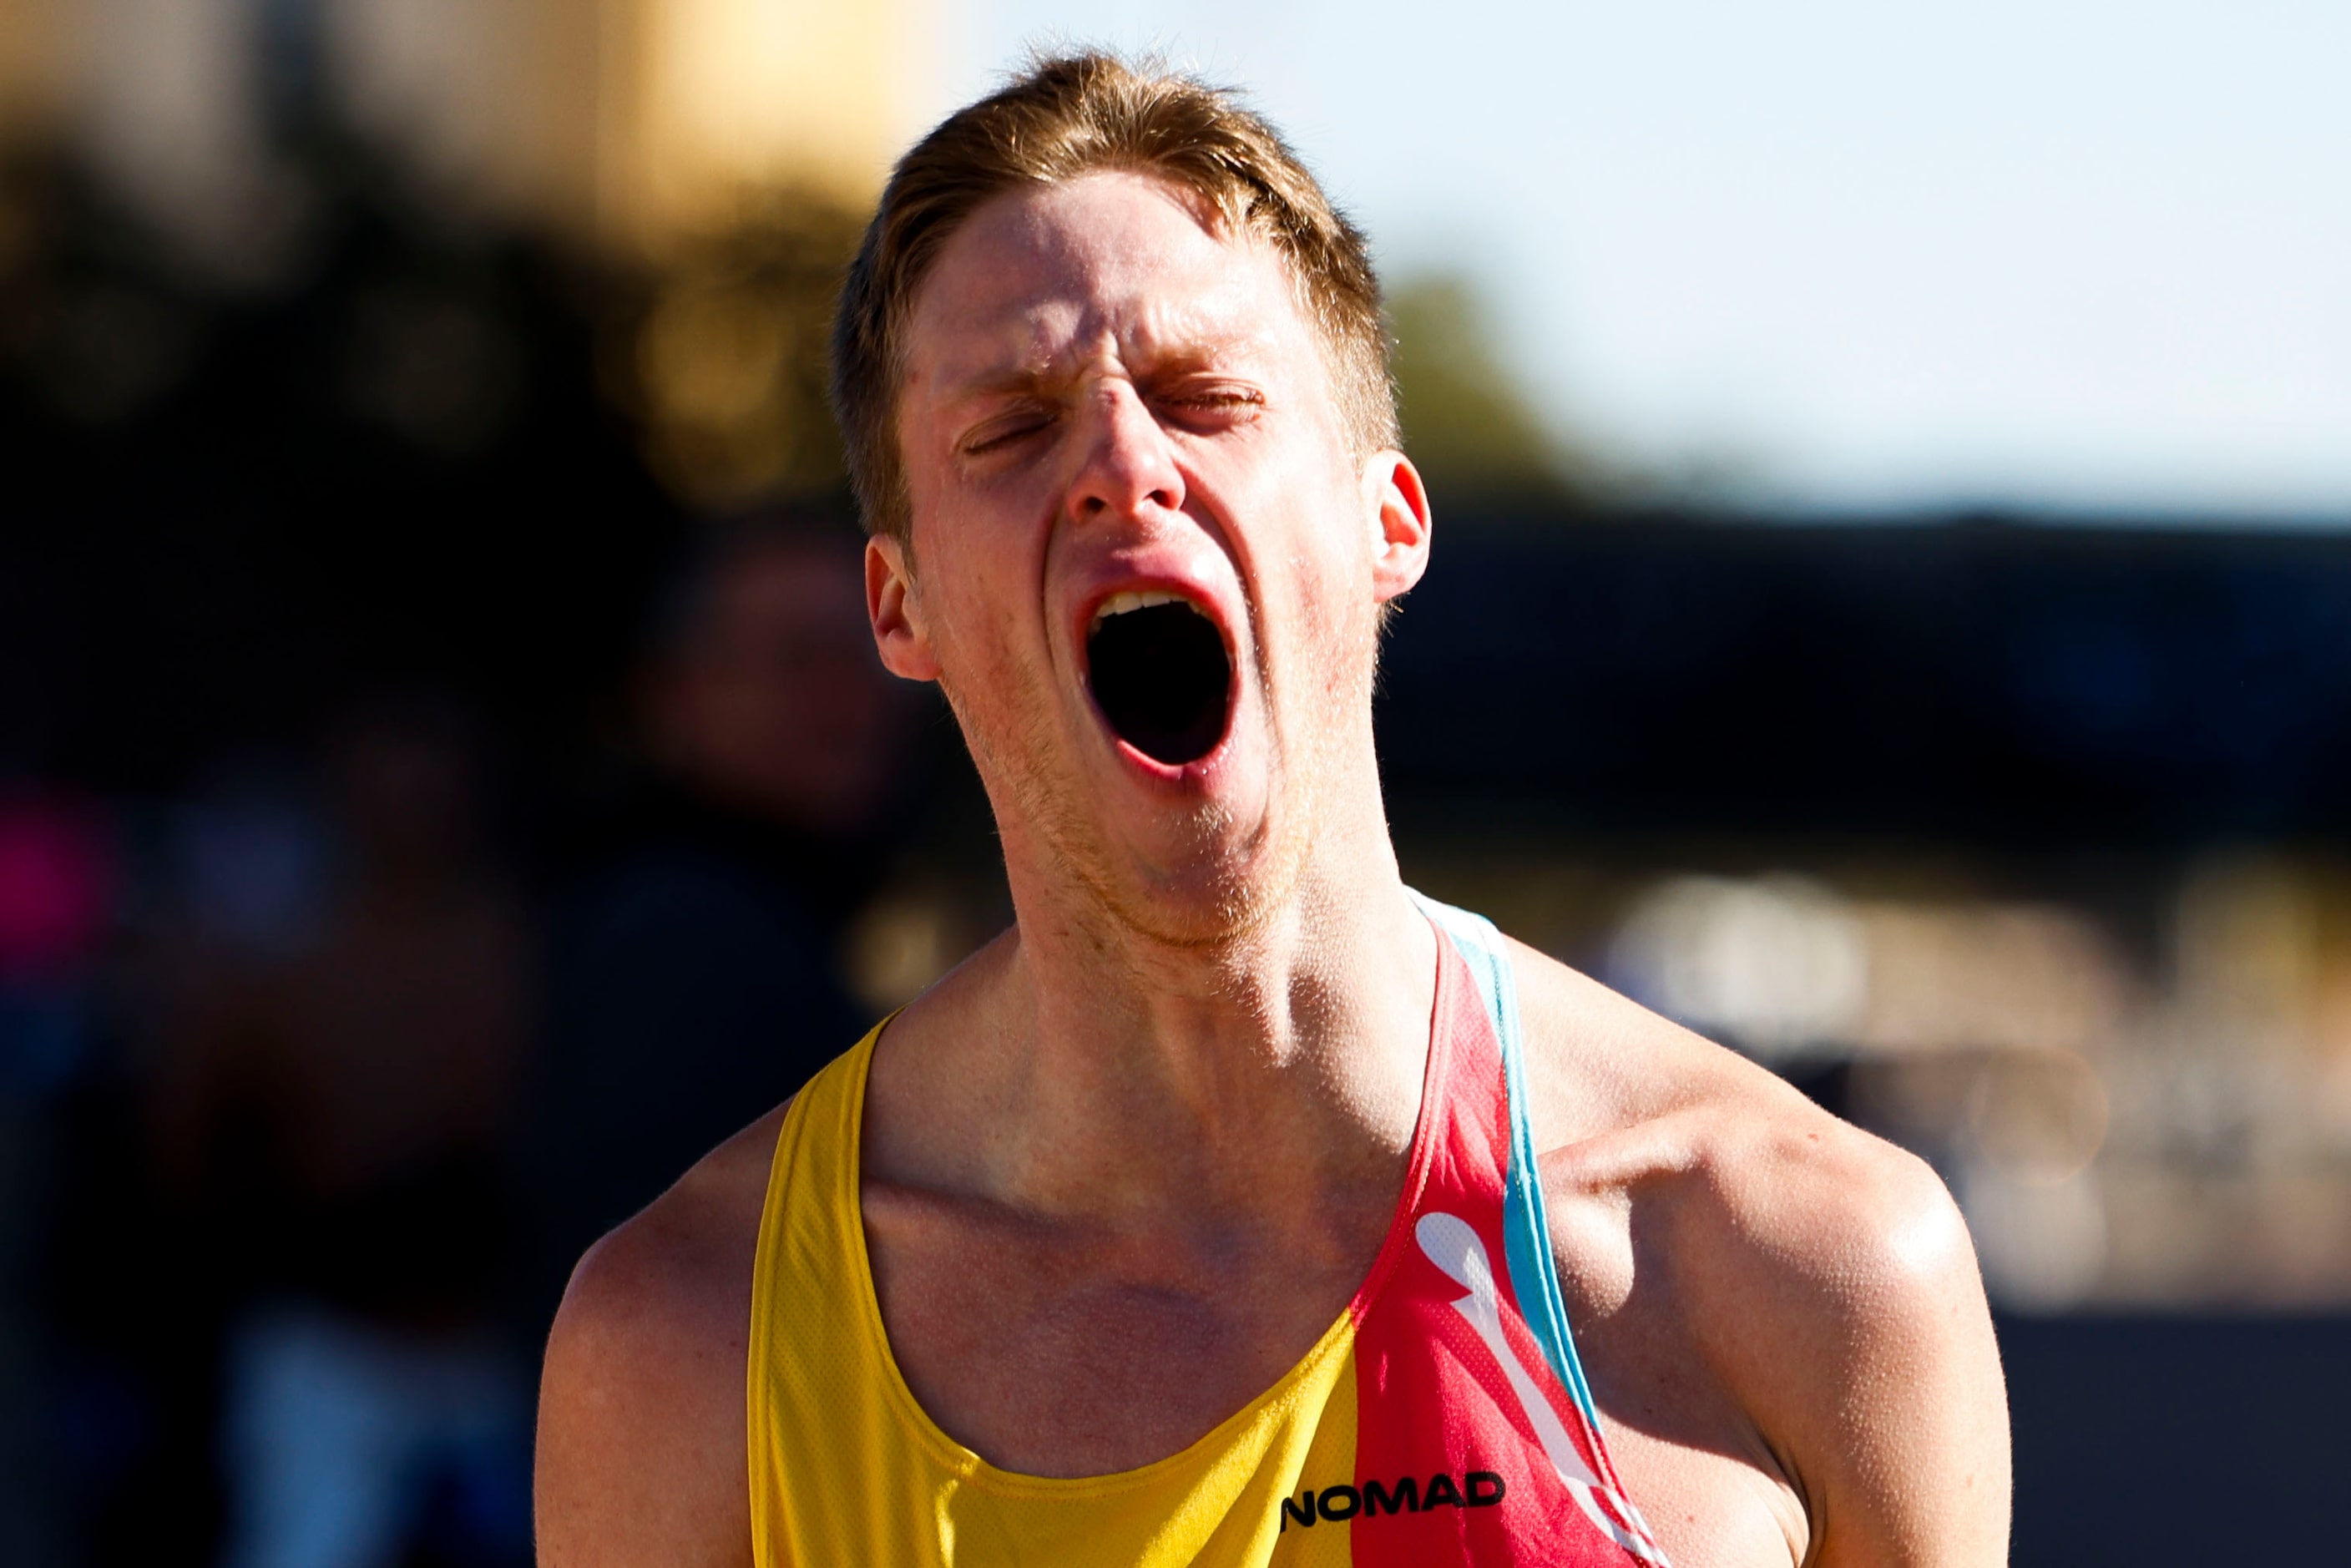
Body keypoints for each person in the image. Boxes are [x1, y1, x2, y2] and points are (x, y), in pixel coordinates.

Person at [535, 53, 2010, 1567]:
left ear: (1389, 519)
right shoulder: (689, 1344)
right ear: (899, 608)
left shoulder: (1801, 1264)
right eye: (1011, 427)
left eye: (1205, 396)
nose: (1123, 463)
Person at [523, 514, 908, 1332]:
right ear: (673, 696)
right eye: (797, 660)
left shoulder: (777, 918)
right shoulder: (680, 944)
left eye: (871, 653)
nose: (847, 698)